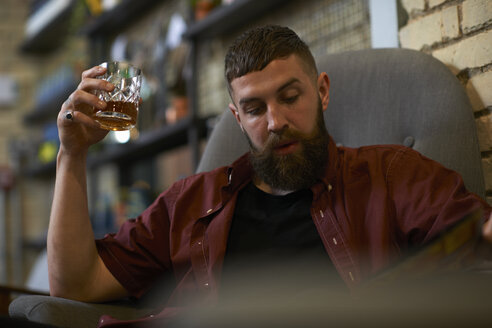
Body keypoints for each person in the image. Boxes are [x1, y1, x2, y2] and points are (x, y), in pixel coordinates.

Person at [48, 25, 492, 327]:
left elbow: (478, 248)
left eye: (290, 96)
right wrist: (71, 154)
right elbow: (76, 284)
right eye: (255, 109)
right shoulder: (190, 202)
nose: (275, 121)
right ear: (237, 118)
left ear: (321, 91)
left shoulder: (390, 174)